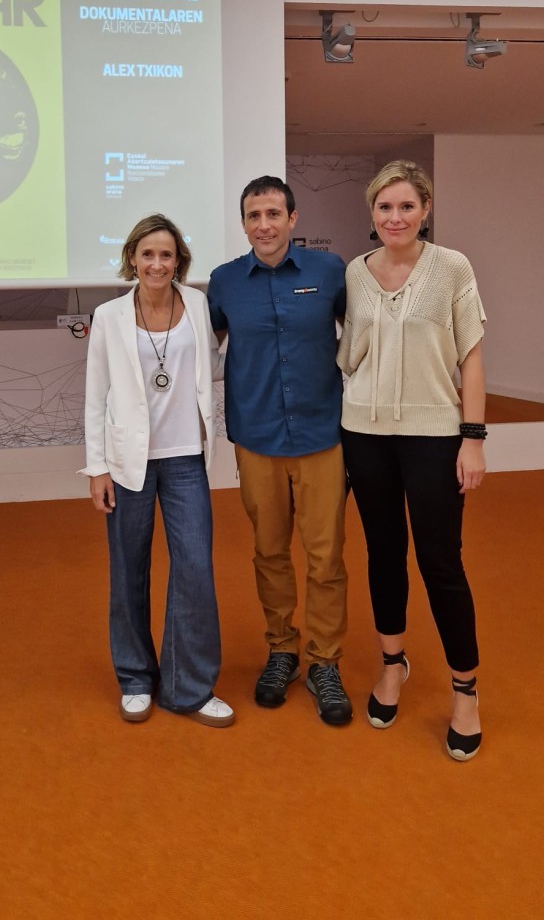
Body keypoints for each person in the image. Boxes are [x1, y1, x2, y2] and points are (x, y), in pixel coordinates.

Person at [338, 160, 486, 761]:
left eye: (405, 206)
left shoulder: (452, 268)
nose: (394, 217)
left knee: (440, 560)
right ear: (371, 214)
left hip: (434, 434)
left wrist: (472, 437)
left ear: (424, 210)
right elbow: (351, 355)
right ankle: (392, 664)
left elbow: (471, 356)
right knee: (383, 552)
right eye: (384, 207)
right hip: (364, 433)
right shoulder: (355, 271)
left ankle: (465, 690)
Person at [207, 175, 352, 726]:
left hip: (322, 436)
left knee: (325, 557)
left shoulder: (330, 272)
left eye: (273, 214)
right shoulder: (223, 283)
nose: (263, 225)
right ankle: (282, 650)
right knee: (269, 551)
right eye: (253, 216)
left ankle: (324, 661)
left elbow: (364, 335)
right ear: (243, 224)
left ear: (293, 220)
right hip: (258, 437)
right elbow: (198, 348)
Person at [82, 214, 234, 728]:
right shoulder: (107, 316)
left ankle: (186, 686)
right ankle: (134, 678)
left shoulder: (195, 303)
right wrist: (97, 466)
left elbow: (210, 366)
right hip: (127, 463)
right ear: (132, 258)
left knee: (194, 570)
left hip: (187, 457)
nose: (157, 263)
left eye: (166, 255)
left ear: (179, 262)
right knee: (129, 570)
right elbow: (95, 397)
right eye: (147, 254)